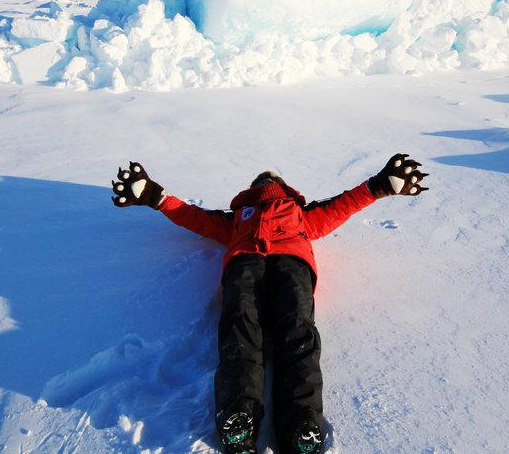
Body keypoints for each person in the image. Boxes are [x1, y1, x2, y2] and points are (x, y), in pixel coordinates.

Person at [110, 154, 429, 453]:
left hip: (291, 265)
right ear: (252, 190)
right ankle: (238, 416)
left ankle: (302, 424)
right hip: (246, 264)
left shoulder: (301, 212)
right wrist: (155, 196)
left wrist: (379, 185)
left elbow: (342, 205)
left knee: (297, 334)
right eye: (262, 182)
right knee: (241, 333)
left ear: (283, 187)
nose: (266, 186)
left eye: (270, 182)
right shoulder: (237, 216)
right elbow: (195, 218)